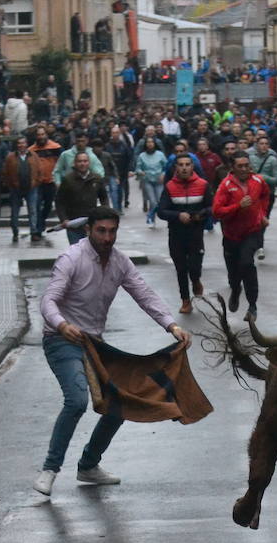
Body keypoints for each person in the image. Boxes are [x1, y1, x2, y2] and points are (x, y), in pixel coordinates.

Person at [33, 207, 191, 497]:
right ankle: (50, 469)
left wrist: (171, 326)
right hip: (62, 340)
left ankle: (88, 466)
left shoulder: (119, 262)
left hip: (95, 344)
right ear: (88, 230)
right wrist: (62, 324)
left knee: (120, 402)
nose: (107, 237)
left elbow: (144, 294)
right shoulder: (71, 258)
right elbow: (48, 301)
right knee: (76, 400)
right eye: (101, 231)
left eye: (112, 231)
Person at [211, 152, 270, 320]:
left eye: (246, 165)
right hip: (231, 235)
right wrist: (237, 206)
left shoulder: (258, 181)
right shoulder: (225, 185)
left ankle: (252, 305)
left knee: (247, 263)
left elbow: (266, 195)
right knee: (234, 273)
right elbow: (216, 211)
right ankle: (235, 290)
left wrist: (263, 213)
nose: (244, 169)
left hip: (252, 232)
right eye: (240, 166)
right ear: (233, 167)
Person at [156, 154, 210, 315]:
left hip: (195, 233)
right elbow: (161, 211)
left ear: (193, 167)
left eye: (187, 164)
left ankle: (196, 280)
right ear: (176, 168)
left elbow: (213, 207)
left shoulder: (203, 185)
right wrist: (177, 216)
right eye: (181, 165)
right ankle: (185, 300)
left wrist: (201, 214)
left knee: (194, 267)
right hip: (176, 234)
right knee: (181, 269)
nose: (184, 167)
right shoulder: (170, 187)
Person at [56, 151, 110, 245]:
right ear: (75, 163)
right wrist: (63, 219)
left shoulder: (96, 179)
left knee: (92, 252)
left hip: (92, 223)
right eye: (80, 161)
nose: (82, 164)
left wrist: (105, 214)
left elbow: (104, 198)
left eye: (85, 161)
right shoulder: (68, 180)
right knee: (76, 253)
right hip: (73, 224)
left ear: (89, 163)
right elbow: (60, 201)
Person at [1, 136, 36, 243]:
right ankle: (15, 232)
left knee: (33, 211)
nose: (21, 145)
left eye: (23, 143)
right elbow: (5, 172)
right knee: (15, 212)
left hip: (31, 188)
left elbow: (39, 170)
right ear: (17, 145)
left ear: (27, 144)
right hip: (15, 188)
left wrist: (36, 182)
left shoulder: (33, 155)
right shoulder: (10, 157)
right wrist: (10, 184)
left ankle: (33, 232)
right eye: (19, 143)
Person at [29, 126, 62, 239]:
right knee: (36, 206)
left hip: (50, 181)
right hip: (37, 183)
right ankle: (37, 230)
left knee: (48, 206)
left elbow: (60, 163)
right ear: (36, 136)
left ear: (46, 135)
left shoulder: (55, 147)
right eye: (39, 135)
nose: (41, 137)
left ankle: (41, 222)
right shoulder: (31, 150)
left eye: (43, 134)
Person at [133, 137, 167, 226]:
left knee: (159, 201)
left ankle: (151, 215)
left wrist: (163, 174)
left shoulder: (160, 154)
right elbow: (138, 168)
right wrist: (141, 172)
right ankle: (151, 218)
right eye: (148, 142)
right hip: (147, 180)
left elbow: (166, 166)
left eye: (152, 142)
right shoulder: (142, 156)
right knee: (152, 201)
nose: (150, 144)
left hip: (159, 181)